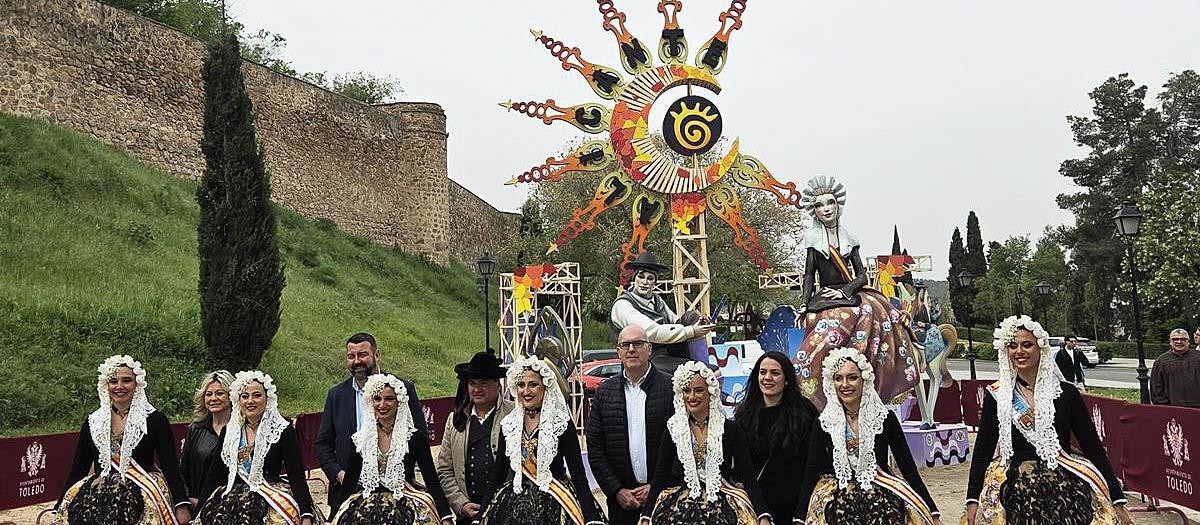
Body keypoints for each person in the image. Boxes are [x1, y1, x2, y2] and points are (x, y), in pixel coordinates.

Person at [964, 315, 1132, 525]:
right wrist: (972, 499)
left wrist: (1116, 497)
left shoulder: (1066, 393)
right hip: (1016, 492)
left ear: (1040, 348)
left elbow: (1092, 445)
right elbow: (983, 449)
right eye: (1012, 345)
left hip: (1064, 489)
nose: (1019, 351)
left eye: (1027, 345)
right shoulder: (997, 396)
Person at [793, 176, 918, 408]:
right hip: (825, 296)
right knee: (818, 325)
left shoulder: (850, 238)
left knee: (876, 313)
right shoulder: (812, 240)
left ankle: (870, 374)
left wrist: (845, 292)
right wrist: (803, 303)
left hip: (850, 292)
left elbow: (862, 276)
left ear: (838, 205)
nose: (826, 209)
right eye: (819, 205)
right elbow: (809, 274)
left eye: (830, 202)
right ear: (815, 212)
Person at [798, 347, 940, 525]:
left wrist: (932, 510)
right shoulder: (824, 422)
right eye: (838, 378)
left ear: (864, 380)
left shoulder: (885, 419)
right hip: (835, 495)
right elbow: (811, 471)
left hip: (881, 492)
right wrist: (799, 517)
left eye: (852, 377)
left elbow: (908, 468)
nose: (845, 385)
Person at [53, 355, 191, 525]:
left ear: (137, 384)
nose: (119, 387)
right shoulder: (93, 422)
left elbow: (170, 466)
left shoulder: (155, 420)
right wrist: (59, 505)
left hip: (143, 493)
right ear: (106, 385)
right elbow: (78, 468)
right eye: (113, 381)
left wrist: (180, 504)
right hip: (98, 497)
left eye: (126, 380)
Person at [478, 355, 605, 525]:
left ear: (545, 387)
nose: (526, 391)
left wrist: (590, 516)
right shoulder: (508, 425)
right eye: (521, 385)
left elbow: (579, 475)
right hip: (513, 504)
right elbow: (498, 474)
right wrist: (480, 516)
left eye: (533, 385)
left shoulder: (561, 424)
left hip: (555, 501)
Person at [639, 361, 770, 525]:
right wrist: (646, 514)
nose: (692, 397)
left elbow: (748, 476)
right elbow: (660, 476)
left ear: (711, 392)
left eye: (699, 390)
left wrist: (762, 513)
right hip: (681, 505)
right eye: (687, 391)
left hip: (721, 501)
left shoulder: (730, 429)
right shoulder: (674, 428)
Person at [317, 332, 428, 514]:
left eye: (362, 355)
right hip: (346, 494)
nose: (356, 361)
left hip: (396, 497)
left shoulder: (403, 389)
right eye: (351, 356)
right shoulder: (336, 395)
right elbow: (323, 444)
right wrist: (340, 475)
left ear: (377, 355)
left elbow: (420, 436)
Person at [195, 371, 318, 525]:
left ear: (268, 399)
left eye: (257, 395)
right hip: (232, 501)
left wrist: (306, 513)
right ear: (238, 400)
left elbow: (296, 475)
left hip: (270, 497)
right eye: (245, 396)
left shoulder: (282, 430)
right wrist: (198, 513)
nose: (250, 401)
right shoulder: (230, 431)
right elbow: (214, 475)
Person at [332, 374, 453, 525]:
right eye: (377, 398)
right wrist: (331, 519)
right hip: (366, 506)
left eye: (389, 399)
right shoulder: (360, 440)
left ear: (399, 402)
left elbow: (431, 480)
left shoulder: (415, 438)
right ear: (371, 401)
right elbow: (349, 484)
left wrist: (446, 516)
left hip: (405, 504)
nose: (382, 404)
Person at [587, 325, 674, 525]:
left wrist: (658, 487)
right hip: (622, 504)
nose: (631, 349)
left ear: (649, 348)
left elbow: (683, 445)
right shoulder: (604, 392)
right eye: (625, 345)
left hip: (665, 499)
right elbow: (595, 448)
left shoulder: (671, 388)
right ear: (618, 351)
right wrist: (616, 490)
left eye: (638, 343)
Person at [734, 351, 819, 524]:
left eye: (775, 373)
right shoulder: (744, 416)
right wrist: (760, 512)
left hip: (798, 504)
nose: (767, 378)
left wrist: (802, 513)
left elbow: (813, 463)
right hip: (759, 506)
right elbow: (743, 469)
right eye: (763, 372)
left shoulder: (805, 413)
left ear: (786, 379)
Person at [436, 350, 514, 524]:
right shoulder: (454, 419)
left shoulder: (514, 415)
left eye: (484, 383)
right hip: (468, 512)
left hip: (506, 512)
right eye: (472, 383)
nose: (477, 389)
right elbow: (445, 469)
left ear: (498, 385)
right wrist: (461, 504)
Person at [610, 251, 715, 374]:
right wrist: (691, 331)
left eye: (650, 278)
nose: (645, 282)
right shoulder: (623, 305)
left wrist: (698, 324)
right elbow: (651, 332)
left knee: (691, 317)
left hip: (667, 352)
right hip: (643, 357)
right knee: (692, 369)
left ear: (655, 282)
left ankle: (702, 369)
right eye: (641, 277)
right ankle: (701, 372)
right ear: (635, 278)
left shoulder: (657, 301)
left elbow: (676, 322)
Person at [181, 370, 235, 511]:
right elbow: (183, 470)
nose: (213, 398)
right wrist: (188, 499)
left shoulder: (243, 430)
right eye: (208, 394)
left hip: (230, 504)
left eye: (220, 393)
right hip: (196, 503)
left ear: (231, 396)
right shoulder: (195, 429)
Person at [1149, 328, 1200, 408]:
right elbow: (1156, 388)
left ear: (1188, 341)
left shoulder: (1197, 358)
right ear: (1170, 341)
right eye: (1175, 339)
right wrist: (1165, 406)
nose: (1179, 342)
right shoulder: (1162, 362)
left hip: (1197, 408)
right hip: (1173, 409)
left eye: (1183, 339)